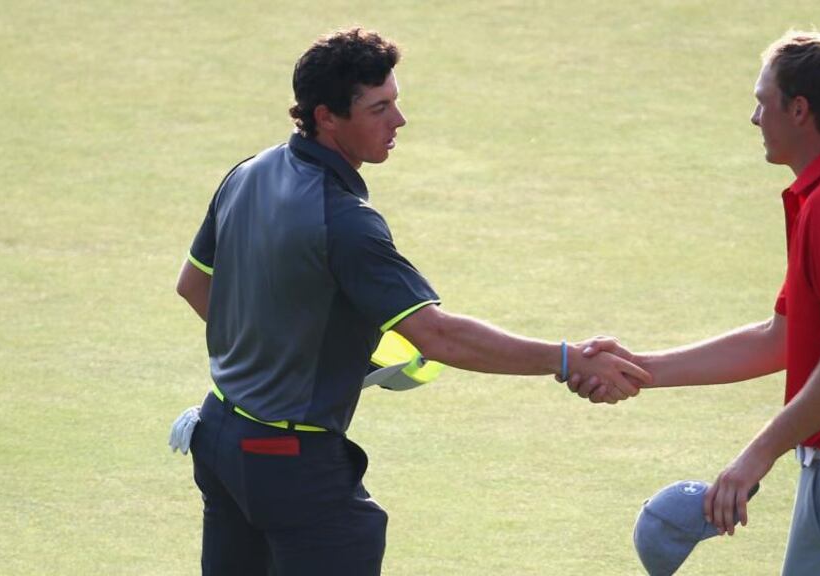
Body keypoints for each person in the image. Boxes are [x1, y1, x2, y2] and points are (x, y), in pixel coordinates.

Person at [174, 28, 651, 576]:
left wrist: (289, 350)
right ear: (327, 117)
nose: (398, 121)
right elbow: (438, 336)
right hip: (289, 466)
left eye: (396, 103)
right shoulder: (345, 222)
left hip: (220, 440)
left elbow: (195, 286)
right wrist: (566, 358)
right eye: (379, 108)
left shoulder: (247, 173)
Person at [570, 31, 820, 575]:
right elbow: (780, 337)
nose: (755, 118)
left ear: (798, 109)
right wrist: (641, 368)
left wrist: (757, 454)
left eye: (763, 101)